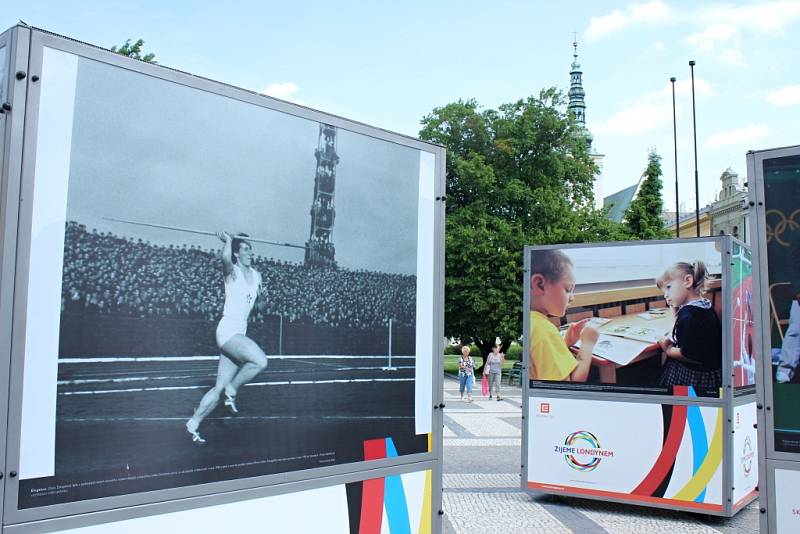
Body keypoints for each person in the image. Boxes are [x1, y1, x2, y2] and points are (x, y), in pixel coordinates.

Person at [186, 232, 268, 444]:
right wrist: (228, 241)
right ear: (237, 254)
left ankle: (193, 424)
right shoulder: (233, 273)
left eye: (251, 249)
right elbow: (224, 259)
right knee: (260, 361)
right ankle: (232, 390)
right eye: (246, 249)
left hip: (240, 331)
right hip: (228, 329)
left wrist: (264, 299)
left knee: (217, 389)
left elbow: (258, 306)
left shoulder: (257, 275)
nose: (250, 252)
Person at [529, 249, 599, 381]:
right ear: (540, 284)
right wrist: (588, 343)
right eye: (568, 289)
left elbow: (542, 361)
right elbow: (571, 383)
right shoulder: (543, 329)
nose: (572, 298)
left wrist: (564, 343)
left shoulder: (532, 322)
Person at [656, 260, 722, 391]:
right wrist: (675, 312)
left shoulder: (689, 316)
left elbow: (688, 355)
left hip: (696, 376)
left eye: (668, 287)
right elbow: (680, 333)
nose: (665, 295)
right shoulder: (704, 305)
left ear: (688, 281)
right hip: (711, 370)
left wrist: (667, 349)